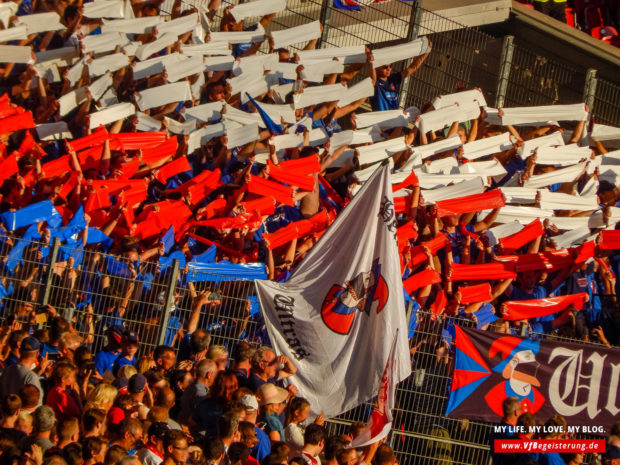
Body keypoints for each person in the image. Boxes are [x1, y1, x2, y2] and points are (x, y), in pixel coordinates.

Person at [0, 337, 44, 405]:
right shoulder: (31, 377)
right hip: (23, 415)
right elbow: (36, 406)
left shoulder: (6, 370)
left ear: (20, 351)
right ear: (37, 354)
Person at [179, 359, 216, 424]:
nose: (216, 377)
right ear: (209, 375)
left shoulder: (191, 387)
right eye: (215, 374)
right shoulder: (201, 394)